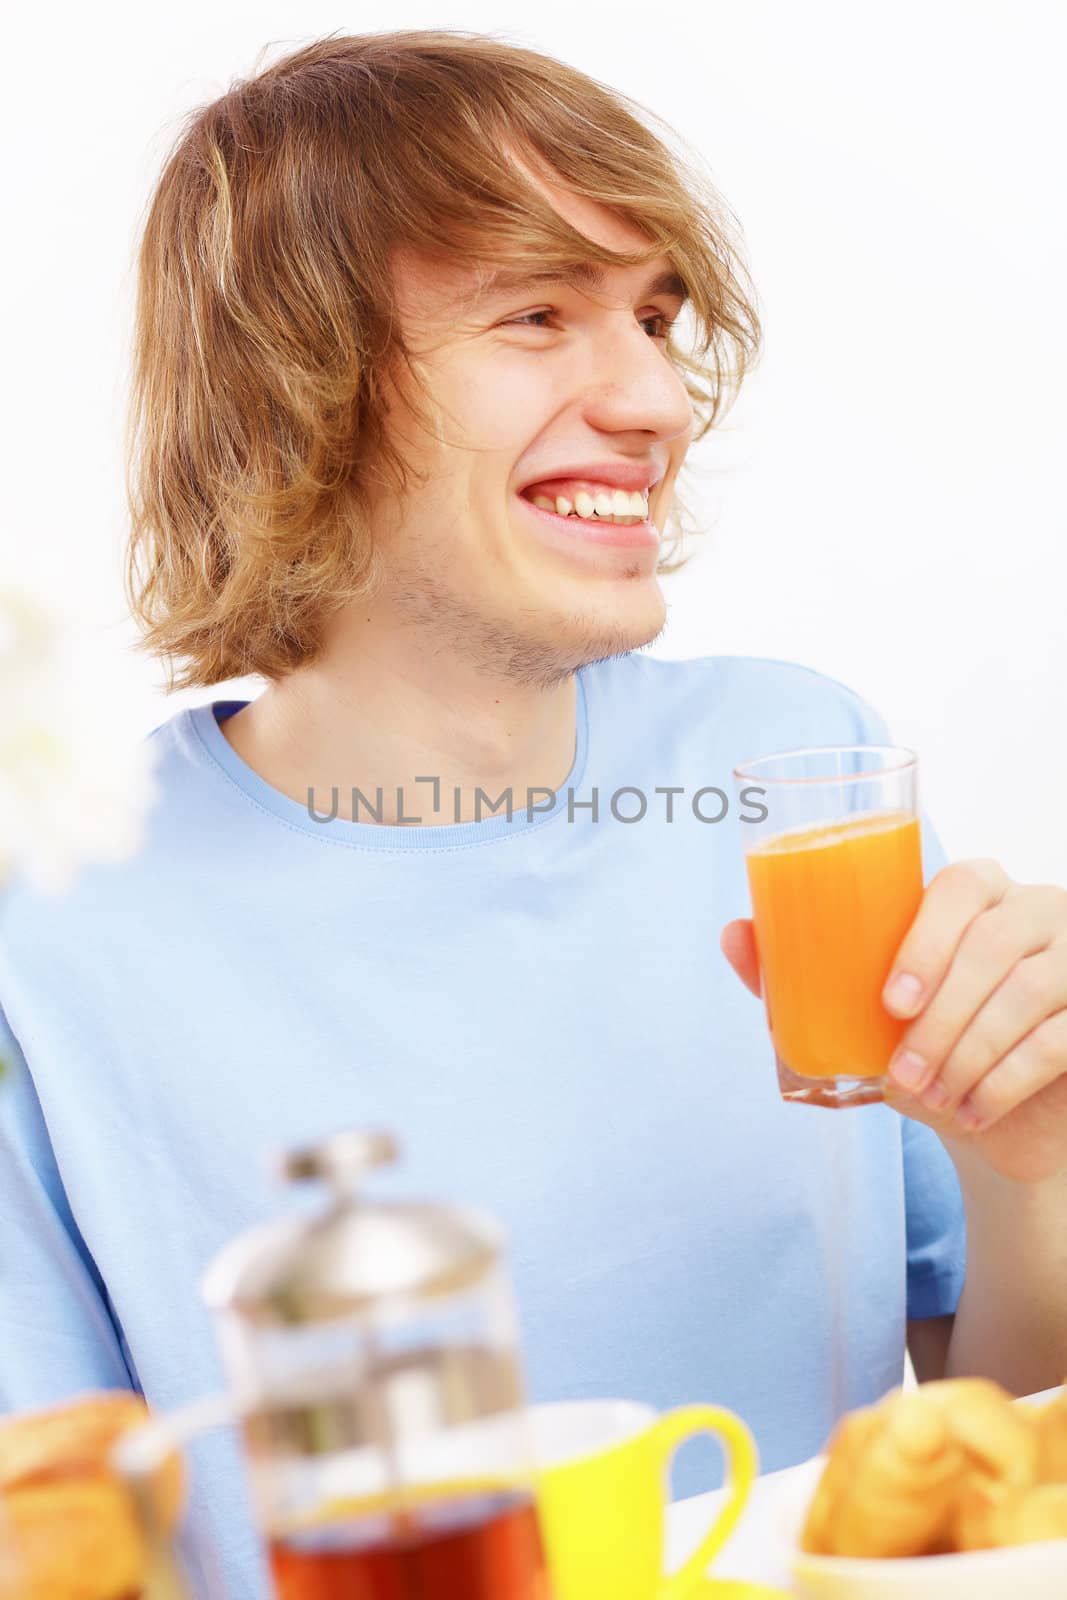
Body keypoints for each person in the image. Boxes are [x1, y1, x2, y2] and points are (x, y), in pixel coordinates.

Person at [2, 28, 1066, 1597]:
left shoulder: (797, 772)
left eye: (654, 315)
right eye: (536, 314)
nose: (651, 397)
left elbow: (990, 1443)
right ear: (296, 386)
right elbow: (56, 1548)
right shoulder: (58, 912)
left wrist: (1023, 1165)